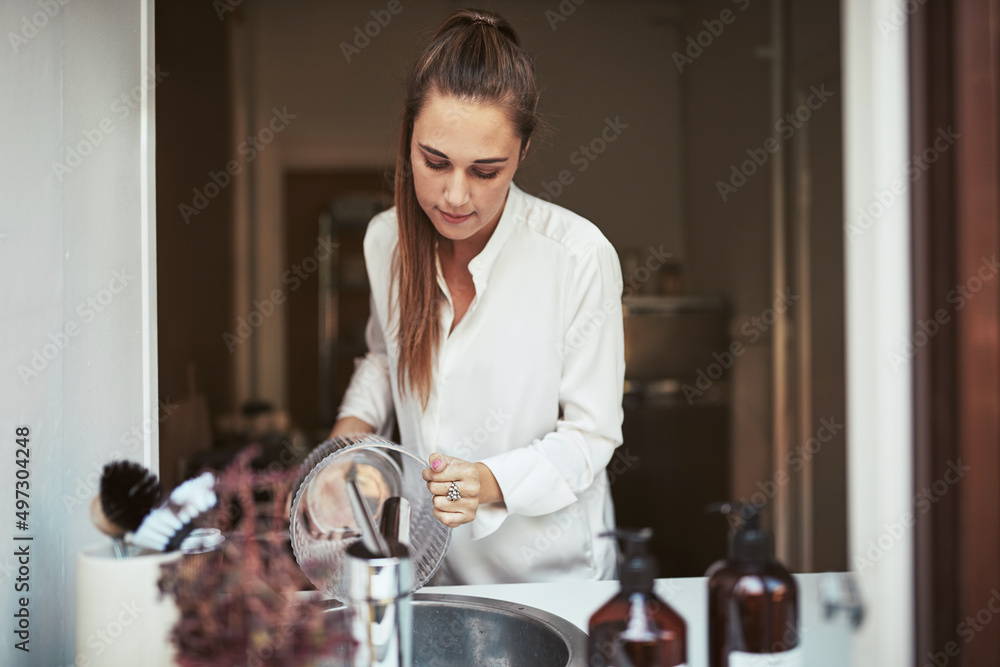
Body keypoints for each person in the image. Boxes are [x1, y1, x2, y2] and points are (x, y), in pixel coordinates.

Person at [331, 8, 625, 586]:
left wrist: (487, 482)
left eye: (486, 171)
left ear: (523, 151)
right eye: (434, 161)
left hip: (553, 576)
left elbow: (591, 438)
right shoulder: (385, 240)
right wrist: (348, 439)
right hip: (433, 569)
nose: (455, 196)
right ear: (408, 137)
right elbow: (384, 357)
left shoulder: (578, 256)